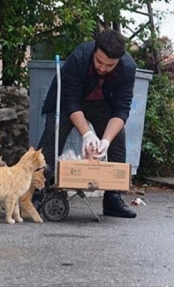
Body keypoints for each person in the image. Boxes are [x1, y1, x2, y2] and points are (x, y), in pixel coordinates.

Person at [36, 28, 137, 218]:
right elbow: (71, 101)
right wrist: (87, 134)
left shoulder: (128, 68)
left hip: (102, 103)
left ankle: (113, 198)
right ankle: (36, 192)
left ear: (119, 61)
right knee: (52, 134)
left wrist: (105, 141)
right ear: (94, 51)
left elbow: (121, 109)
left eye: (109, 65)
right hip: (67, 101)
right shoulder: (79, 57)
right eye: (99, 61)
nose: (102, 68)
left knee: (117, 137)